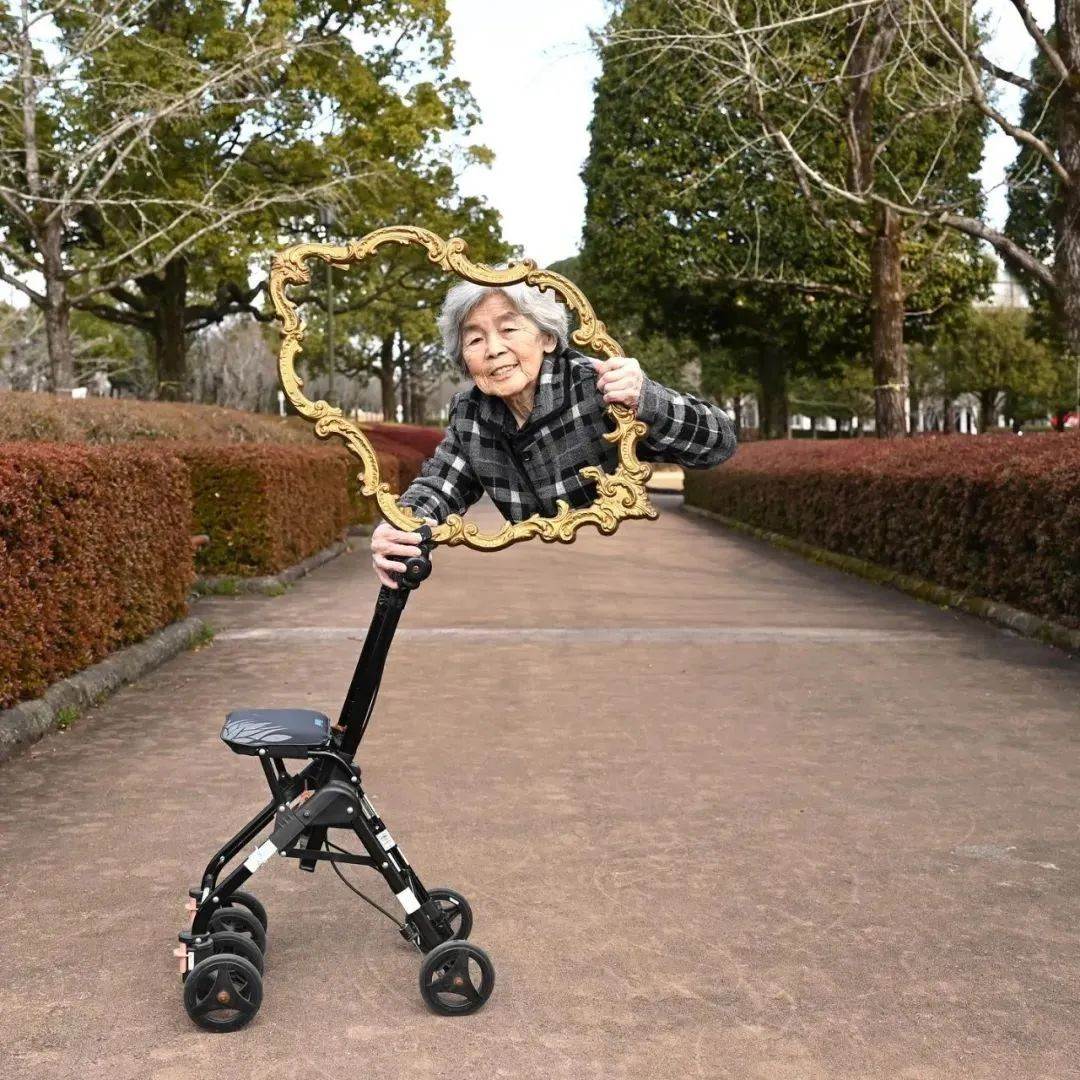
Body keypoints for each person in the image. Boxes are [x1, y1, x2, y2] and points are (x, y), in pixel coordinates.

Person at [370, 278, 737, 588]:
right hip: (534, 590)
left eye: (509, 329)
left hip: (634, 583)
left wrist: (647, 398)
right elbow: (440, 486)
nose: (494, 349)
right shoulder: (471, 413)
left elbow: (718, 442)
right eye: (475, 340)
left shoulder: (598, 388)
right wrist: (400, 527)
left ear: (546, 337)